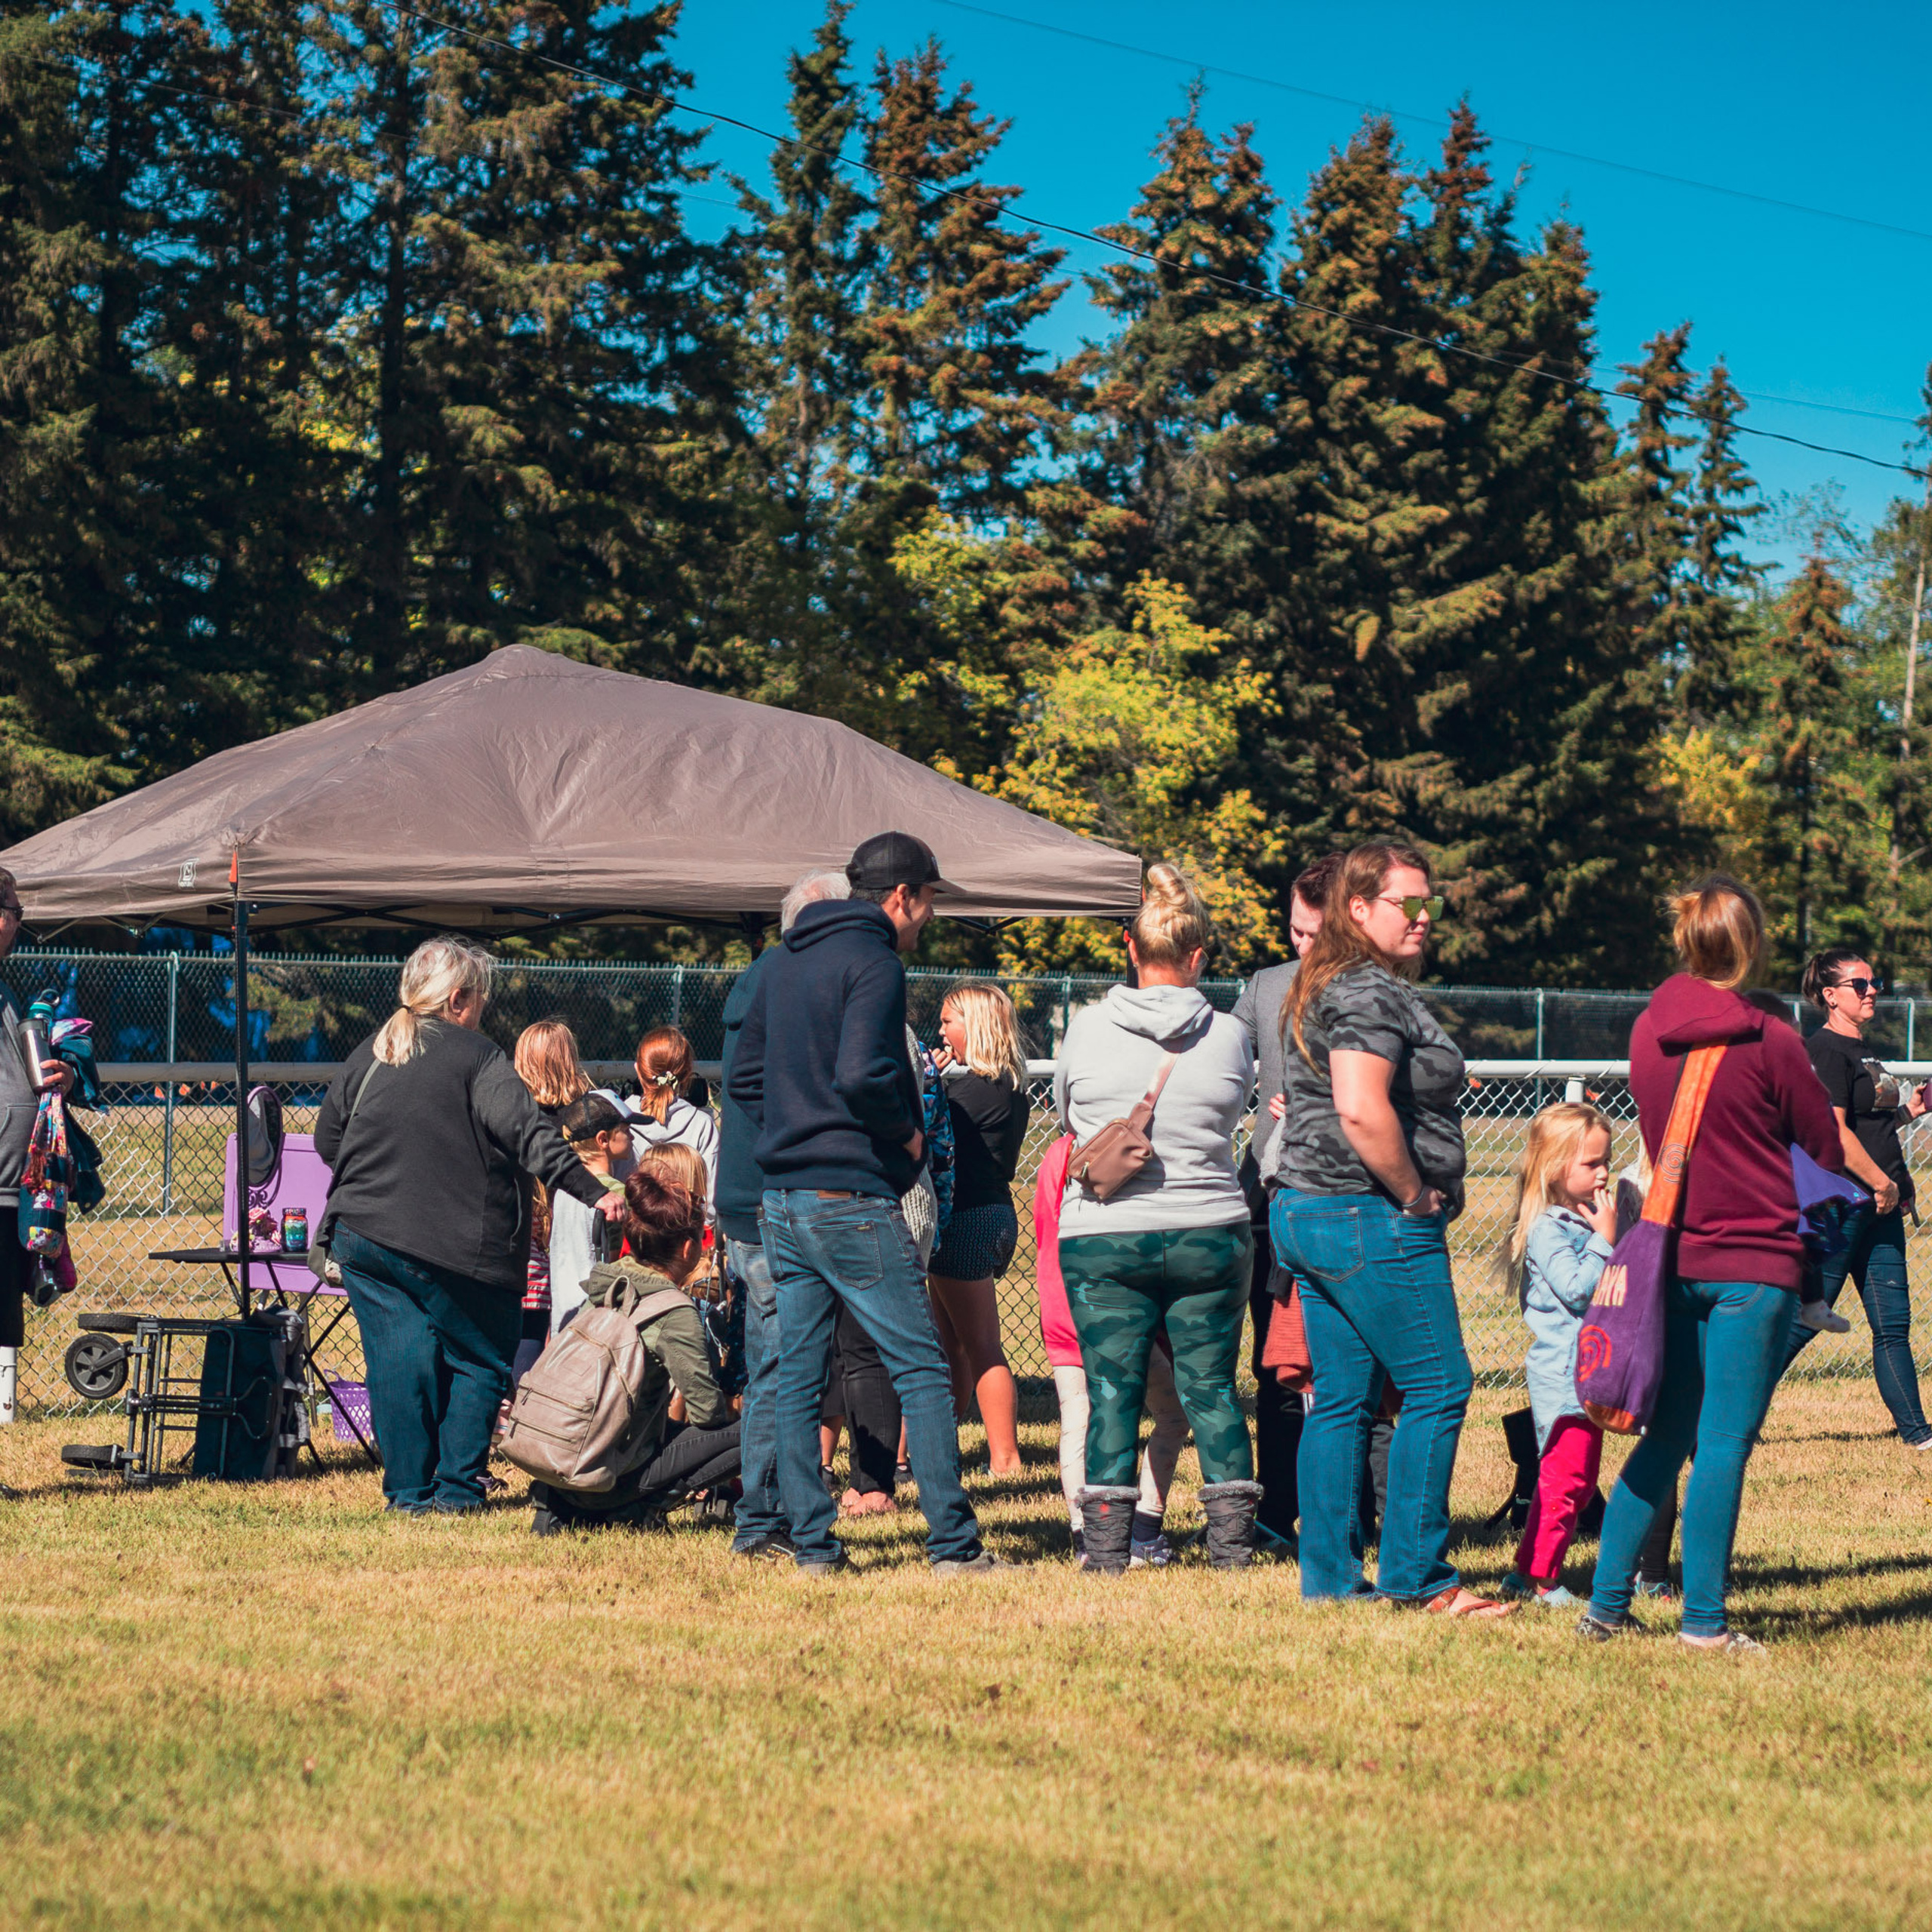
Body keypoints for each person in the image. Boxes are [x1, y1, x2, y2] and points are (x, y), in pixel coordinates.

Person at [727, 831, 1004, 1576]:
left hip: (780, 1198)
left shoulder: (780, 963)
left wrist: (791, 1130)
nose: (927, 920)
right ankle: (953, 1544)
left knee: (793, 1370)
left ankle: (805, 1542)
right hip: (849, 1193)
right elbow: (862, 1072)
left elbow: (745, 1079)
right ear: (901, 895)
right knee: (918, 1364)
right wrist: (904, 1138)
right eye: (929, 903)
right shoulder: (874, 959)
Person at [1581, 877, 1844, 1651]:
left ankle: (1604, 1606)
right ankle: (1704, 1623)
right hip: (1752, 1260)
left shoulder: (1646, 1032)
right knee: (1723, 1443)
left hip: (1673, 1251)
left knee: (1664, 1436)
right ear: (1750, 943)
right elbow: (1820, 1148)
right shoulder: (1771, 1038)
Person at [1269, 844, 1504, 1615]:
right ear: (1360, 908)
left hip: (1309, 1211)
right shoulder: (1366, 990)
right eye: (1408, 902)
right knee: (1439, 1384)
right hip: (1365, 1213)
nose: (1424, 915)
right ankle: (1417, 1576)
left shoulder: (1327, 983)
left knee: (1341, 1398)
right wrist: (1411, 1192)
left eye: (1427, 901)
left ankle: (1331, 1580)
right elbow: (1360, 1106)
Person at [315, 937, 621, 1515]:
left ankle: (408, 1494)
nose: (482, 1008)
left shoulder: (370, 1054)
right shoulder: (478, 1057)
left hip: (363, 1236)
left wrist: (387, 1182)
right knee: (478, 1356)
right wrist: (593, 1192)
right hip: (460, 1242)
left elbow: (329, 1140)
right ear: (458, 999)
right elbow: (529, 1136)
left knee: (398, 1362)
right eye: (480, 997)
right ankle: (456, 1491)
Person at [1054, 863, 1261, 1572]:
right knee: (1212, 1391)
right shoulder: (1231, 1035)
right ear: (1198, 956)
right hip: (1210, 1230)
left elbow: (1067, 1116)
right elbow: (1232, 1116)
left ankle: (1107, 1554)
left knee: (1112, 1391)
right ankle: (1232, 1550)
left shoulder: (1084, 1029)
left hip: (1103, 1236)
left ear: (1129, 947)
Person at [716, 869, 852, 1562]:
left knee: (776, 1360)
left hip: (749, 1193)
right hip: (779, 1194)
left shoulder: (759, 983)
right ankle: (764, 1517)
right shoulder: (800, 985)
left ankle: (769, 1510)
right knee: (782, 1365)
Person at [528, 1164, 741, 1535]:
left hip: (562, 1460)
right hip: (612, 1475)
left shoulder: (604, 1285)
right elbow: (706, 1413)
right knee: (761, 1430)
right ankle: (637, 1507)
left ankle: (565, 1505)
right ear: (689, 1248)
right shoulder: (672, 1309)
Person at [1232, 853, 1341, 1552]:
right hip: (1270, 1199)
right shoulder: (1267, 986)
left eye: (1313, 934)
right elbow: (1219, 1053)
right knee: (1275, 1360)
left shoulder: (1374, 990)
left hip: (1343, 1197)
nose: (1300, 948)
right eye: (1294, 933)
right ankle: (1276, 1511)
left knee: (1345, 1364)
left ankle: (1352, 1511)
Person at [1781, 948, 1932, 1447]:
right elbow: (1834, 1133)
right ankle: (1716, 1415)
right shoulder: (1826, 1049)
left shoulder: (1862, 1051)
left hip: (1881, 1208)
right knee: (1803, 1322)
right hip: (1844, 1205)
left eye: (1875, 983)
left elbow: (1873, 1125)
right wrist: (1882, 1184)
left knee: (1893, 1326)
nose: (1872, 993)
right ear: (1830, 995)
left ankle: (1917, 1433)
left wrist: (1913, 1109)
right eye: (1860, 985)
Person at [1032, 1131, 1190, 1561]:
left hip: (1059, 1299)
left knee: (1078, 1418)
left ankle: (1086, 1537)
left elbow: (1044, 1227)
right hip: (1112, 1304)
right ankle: (1144, 1529)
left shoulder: (1058, 1151)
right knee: (1173, 1414)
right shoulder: (1130, 1144)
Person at [1496, 1102, 1617, 1608]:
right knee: (1565, 1482)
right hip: (1564, 1379)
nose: (1604, 1172)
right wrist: (1607, 1241)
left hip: (1589, 1376)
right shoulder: (1551, 1228)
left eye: (1606, 1160)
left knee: (1575, 1481)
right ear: (1554, 1168)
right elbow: (1575, 1290)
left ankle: (1525, 1575)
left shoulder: (1581, 1220)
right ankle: (1544, 1581)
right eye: (1591, 1164)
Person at [927, 983, 1030, 1475]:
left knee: (981, 1346)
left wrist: (930, 1081)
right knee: (955, 1345)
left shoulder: (959, 1091)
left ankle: (1005, 1459)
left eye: (949, 1021)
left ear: (976, 1026)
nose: (941, 1030)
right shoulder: (1010, 1086)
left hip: (963, 1221)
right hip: (996, 1215)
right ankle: (936, 1450)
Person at [0, 869, 75, 1371]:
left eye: (16, 915)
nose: (13, 926)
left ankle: (3, 1410)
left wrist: (63, 1075)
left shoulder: (6, 988)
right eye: (11, 914)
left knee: (6, 1312)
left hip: (16, 1186)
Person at [511, 1020, 594, 1381]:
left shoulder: (513, 1114)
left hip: (523, 1236)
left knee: (525, 1328)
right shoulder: (586, 1113)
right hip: (569, 1236)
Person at [545, 1092, 631, 1334]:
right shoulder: (615, 1194)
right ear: (603, 1139)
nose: (632, 1135)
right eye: (625, 1129)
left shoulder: (563, 1190)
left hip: (563, 1313)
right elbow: (617, 1260)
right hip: (596, 1316)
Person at [610, 1026, 718, 1202]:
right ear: (688, 1072)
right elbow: (710, 1199)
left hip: (627, 1226)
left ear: (638, 1070)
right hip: (685, 1227)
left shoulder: (616, 1119)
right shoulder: (702, 1125)